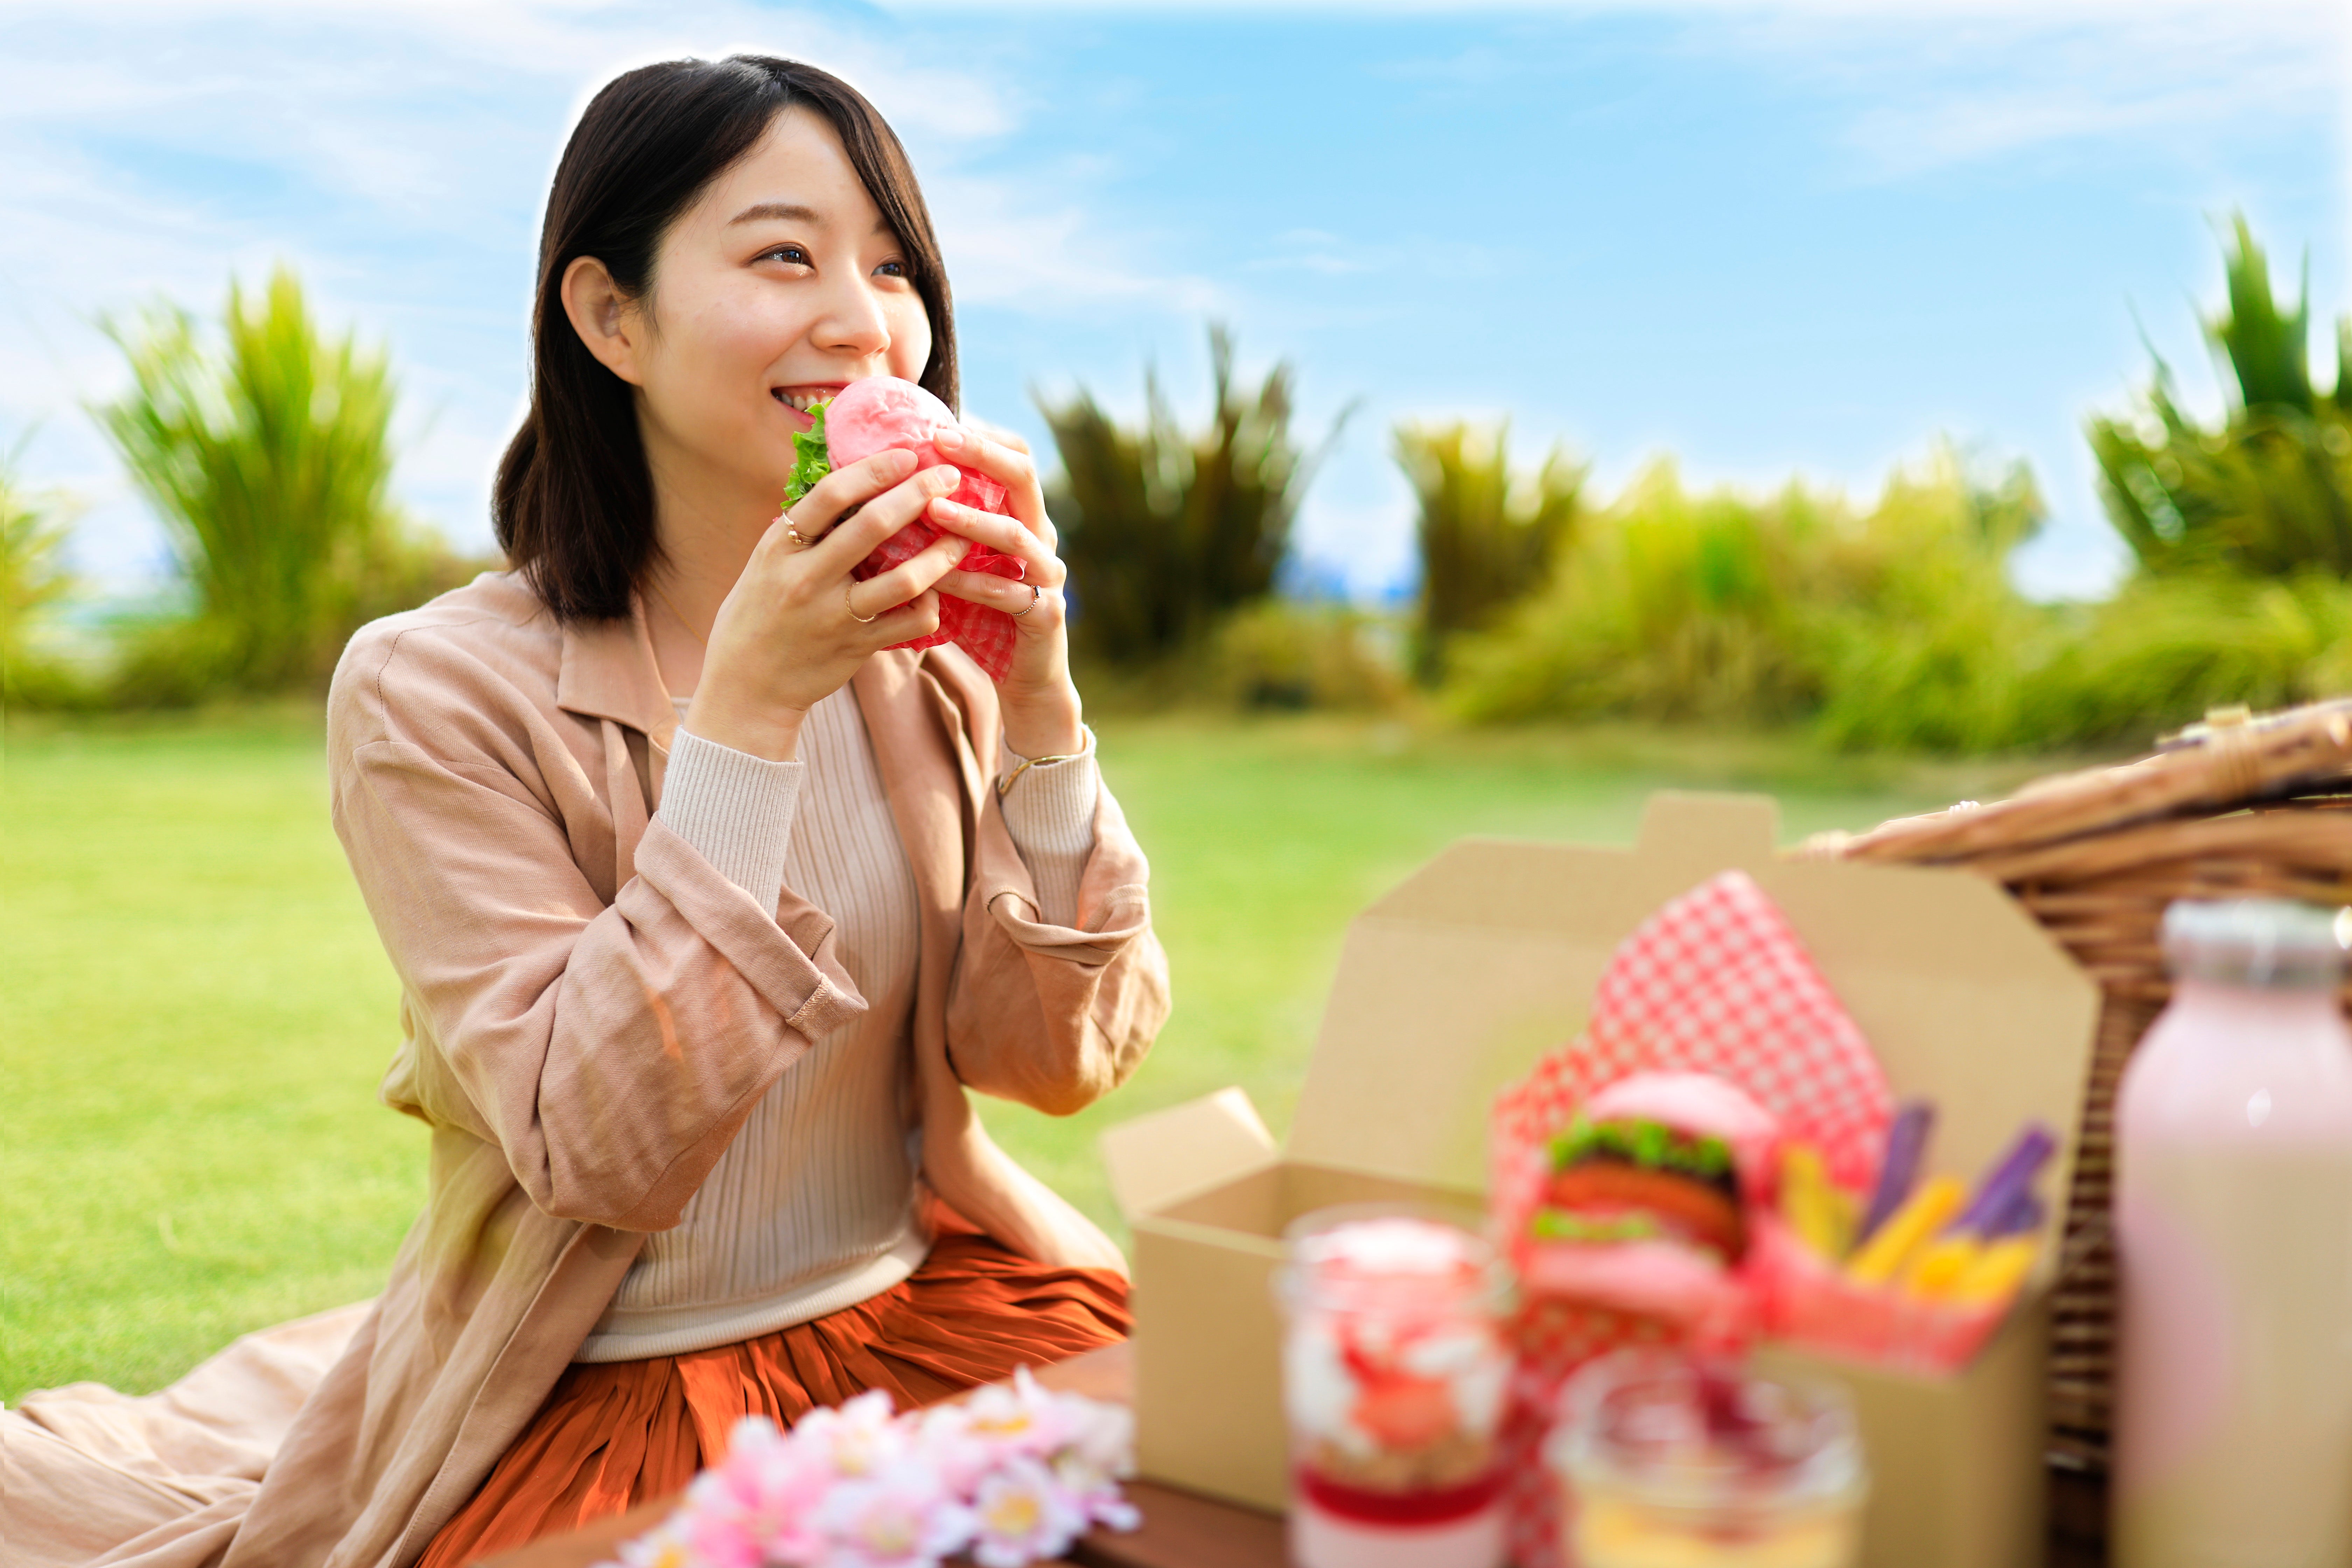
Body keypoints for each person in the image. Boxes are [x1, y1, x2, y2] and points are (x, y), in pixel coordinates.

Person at [4, 54, 1168, 1568]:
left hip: (927, 1312)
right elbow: (602, 1148)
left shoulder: (920, 661)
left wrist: (1044, 715)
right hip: (613, 1392)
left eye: (894, 267)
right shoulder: (432, 690)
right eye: (784, 255)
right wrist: (747, 720)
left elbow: (1054, 1065)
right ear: (611, 317)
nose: (864, 321)